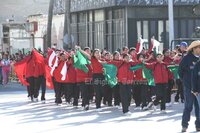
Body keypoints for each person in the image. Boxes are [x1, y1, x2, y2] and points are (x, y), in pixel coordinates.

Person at [178, 40, 200, 132]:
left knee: (198, 107)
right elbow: (180, 72)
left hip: (198, 88)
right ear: (194, 48)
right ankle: (184, 125)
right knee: (188, 106)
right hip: (189, 88)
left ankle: (198, 125)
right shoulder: (186, 58)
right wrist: (186, 83)